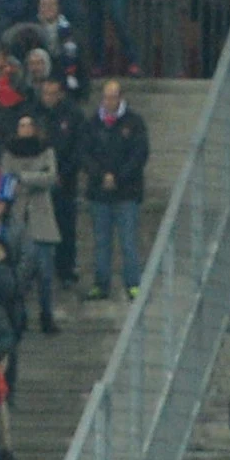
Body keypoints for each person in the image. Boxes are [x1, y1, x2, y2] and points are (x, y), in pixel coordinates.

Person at [79, 81, 150, 301]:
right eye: (105, 96)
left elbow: (139, 155)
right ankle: (101, 284)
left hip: (127, 192)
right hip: (99, 193)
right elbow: (84, 153)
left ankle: (133, 283)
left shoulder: (134, 122)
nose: (109, 101)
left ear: (120, 97)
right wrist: (101, 176)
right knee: (101, 241)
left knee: (128, 240)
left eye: (113, 97)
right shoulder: (92, 123)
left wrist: (117, 177)